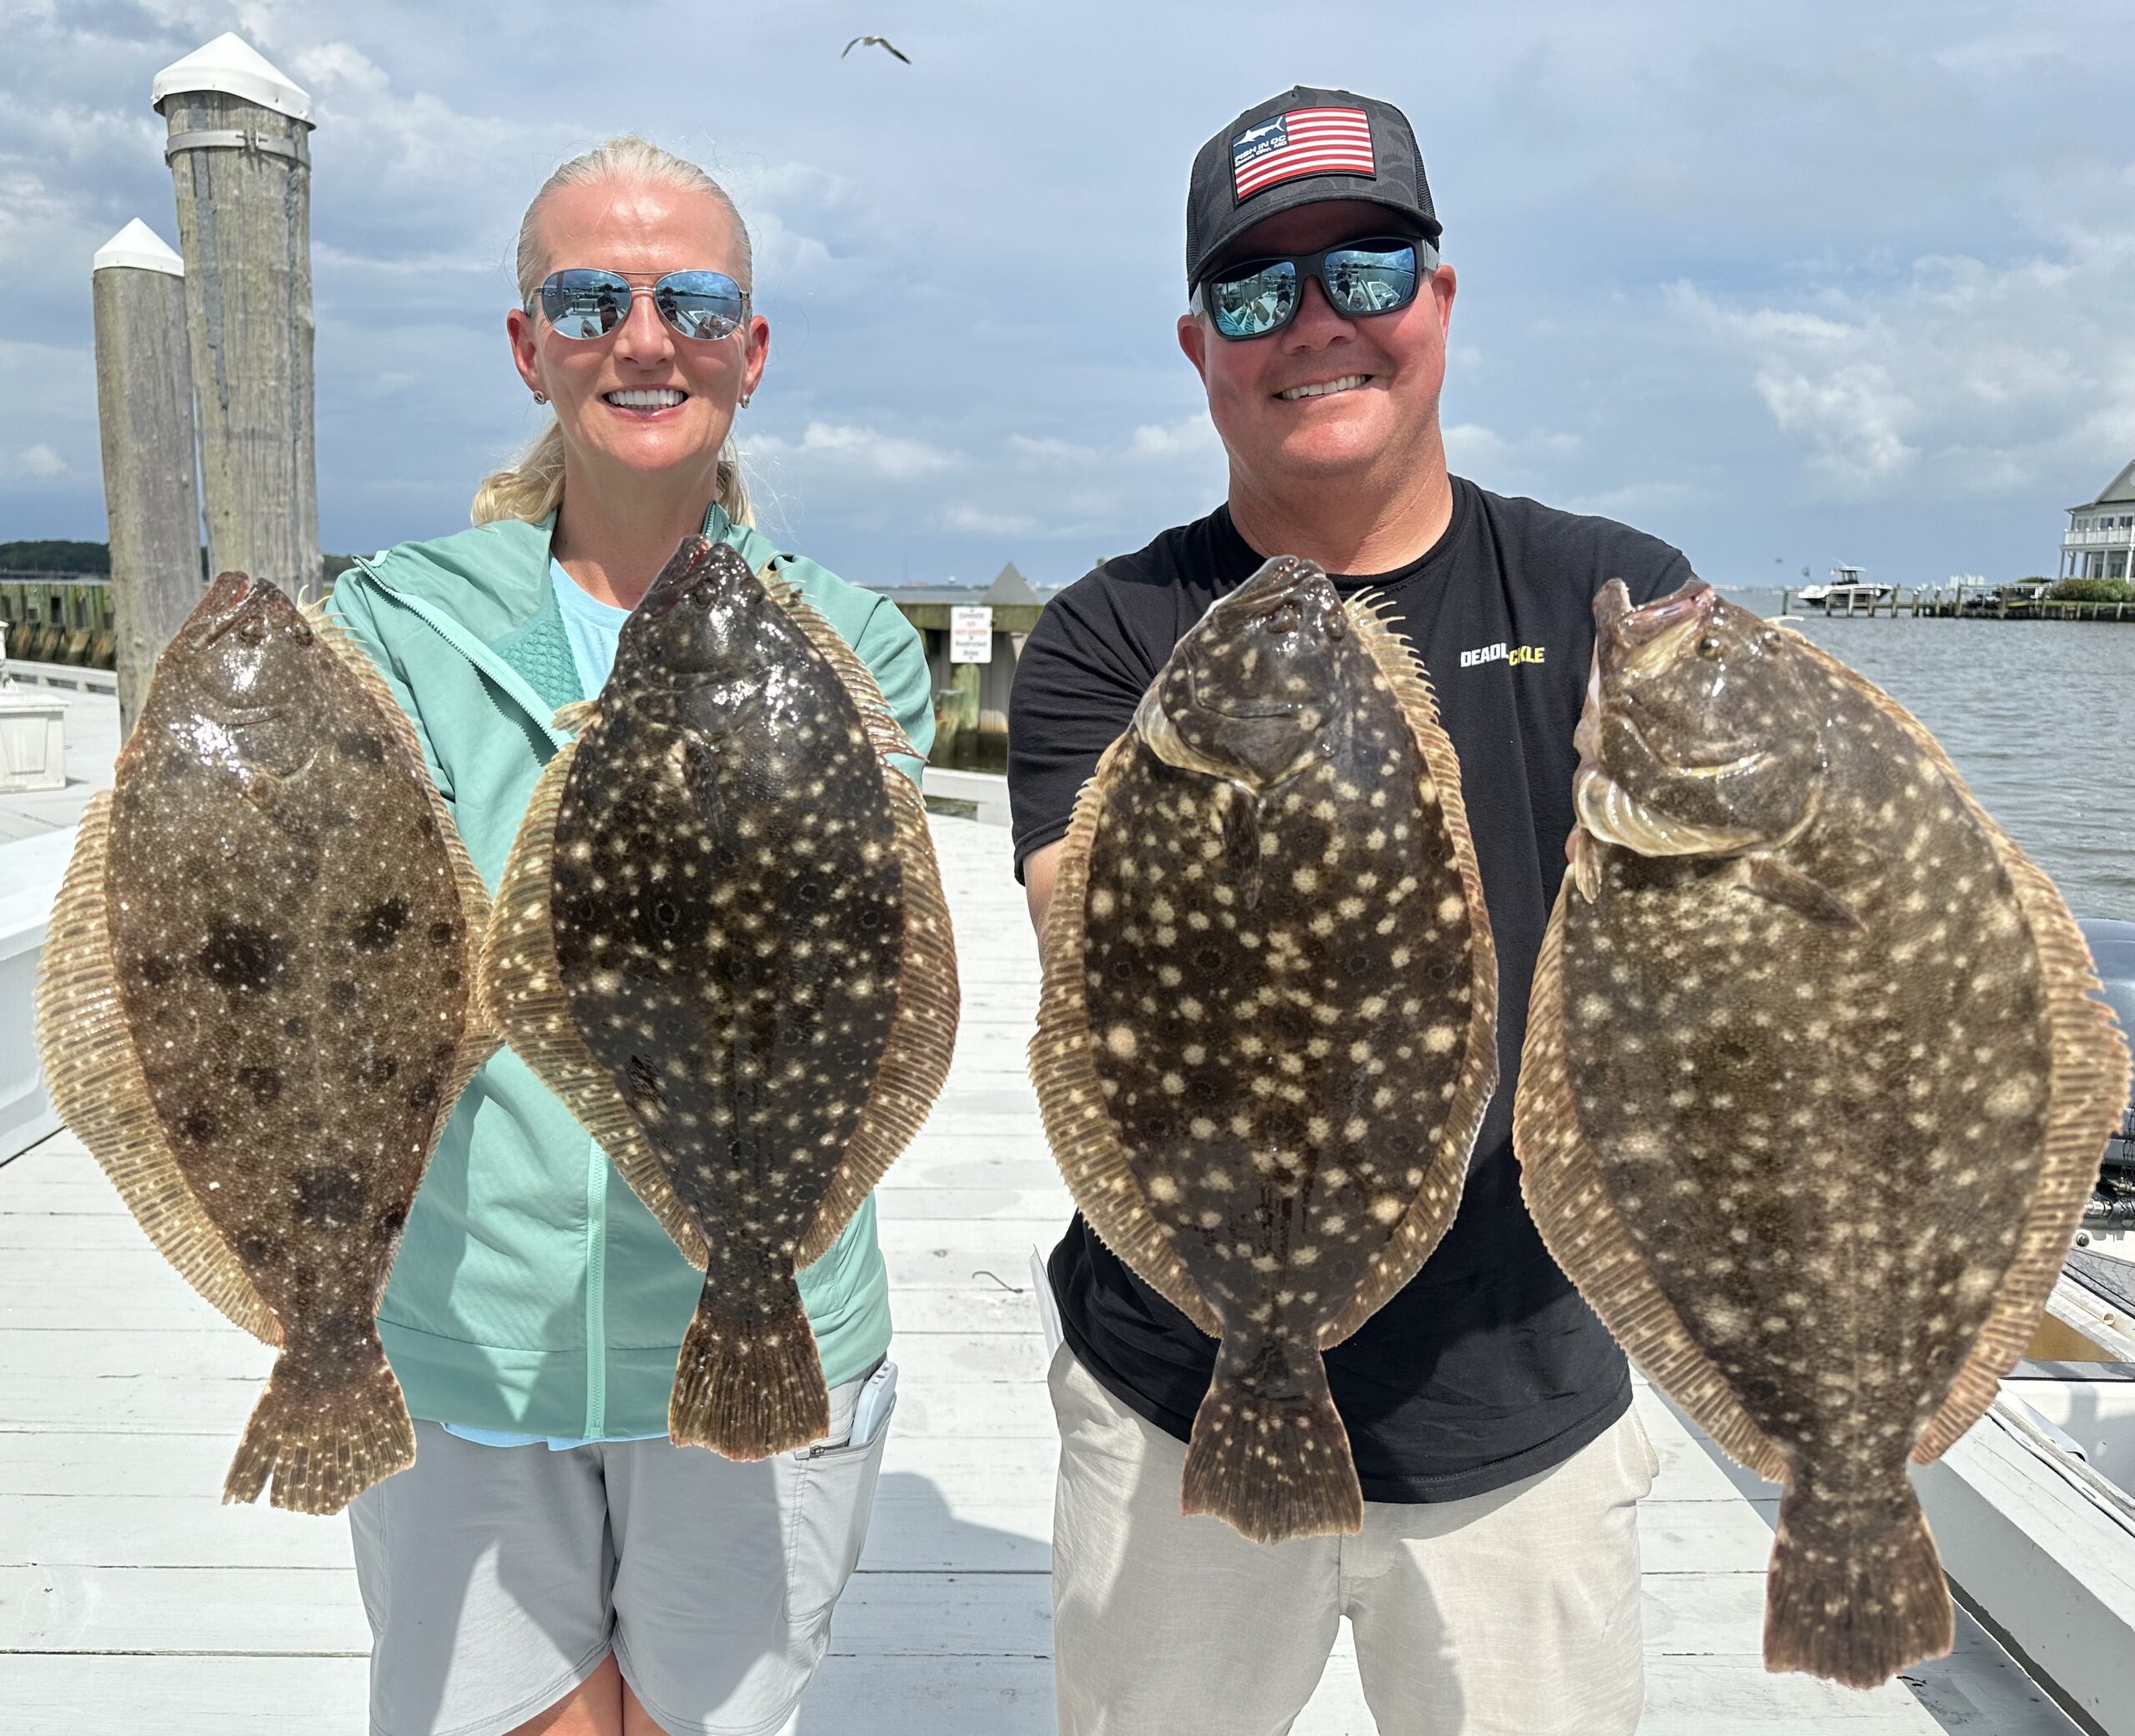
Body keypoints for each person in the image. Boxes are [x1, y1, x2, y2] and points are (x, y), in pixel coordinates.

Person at [1009, 88, 1693, 1736]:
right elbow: (1080, 957)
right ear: (1200, 345)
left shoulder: (1606, 594)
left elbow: (1718, 984)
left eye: (1364, 271)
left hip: (1517, 1402)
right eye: (1256, 290)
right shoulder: (1109, 635)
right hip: (1173, 1388)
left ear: (1437, 299)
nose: (1314, 322)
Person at [327, 137, 933, 1736]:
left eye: (694, 304)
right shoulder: (393, 623)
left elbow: (865, 973)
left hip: (768, 1311)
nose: (645, 339)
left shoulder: (852, 641)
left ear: (751, 347)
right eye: (592, 300)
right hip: (472, 1337)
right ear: (528, 344)